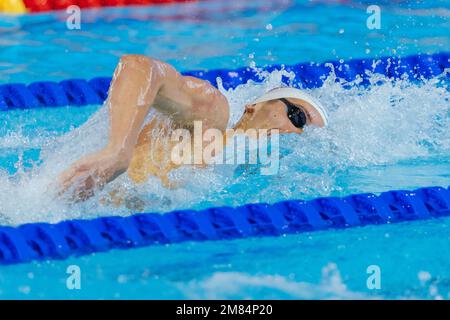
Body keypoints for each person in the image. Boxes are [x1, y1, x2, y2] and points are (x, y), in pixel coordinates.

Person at [58, 54, 328, 201]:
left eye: (308, 134)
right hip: (57, 203)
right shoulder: (211, 117)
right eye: (297, 116)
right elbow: (138, 66)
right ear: (252, 107)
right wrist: (118, 150)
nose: (297, 133)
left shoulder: (237, 186)